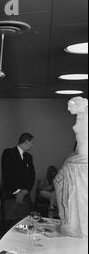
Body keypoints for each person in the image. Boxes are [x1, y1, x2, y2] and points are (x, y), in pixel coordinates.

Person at [54, 96, 88, 238]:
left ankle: (74, 223)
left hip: (82, 161)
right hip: (76, 160)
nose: (68, 109)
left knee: (79, 194)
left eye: (70, 105)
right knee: (58, 182)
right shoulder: (80, 118)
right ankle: (67, 218)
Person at [0, 132, 36, 235]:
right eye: (32, 143)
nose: (33, 145)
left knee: (24, 223)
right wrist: (18, 192)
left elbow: (32, 176)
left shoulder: (29, 157)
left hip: (24, 195)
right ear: (26, 142)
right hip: (10, 195)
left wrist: (25, 191)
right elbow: (6, 174)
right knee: (7, 225)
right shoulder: (8, 153)